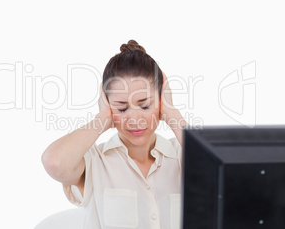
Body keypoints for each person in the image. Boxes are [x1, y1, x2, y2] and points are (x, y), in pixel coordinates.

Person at [41, 40, 187, 229]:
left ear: (161, 99)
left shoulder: (183, 153)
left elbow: (222, 170)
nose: (134, 118)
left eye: (144, 105)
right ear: (107, 105)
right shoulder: (95, 162)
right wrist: (101, 118)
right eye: (122, 108)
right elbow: (55, 162)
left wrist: (172, 113)